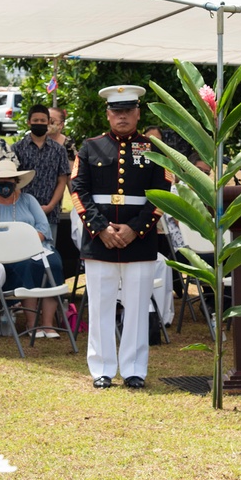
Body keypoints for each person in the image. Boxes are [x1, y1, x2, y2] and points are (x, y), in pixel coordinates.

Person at [71, 84, 170, 390]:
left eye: (128, 111)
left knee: (138, 306)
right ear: (108, 114)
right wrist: (100, 227)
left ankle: (134, 369)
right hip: (99, 239)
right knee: (100, 304)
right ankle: (101, 368)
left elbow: (162, 194)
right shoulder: (90, 147)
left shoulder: (155, 151)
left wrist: (134, 229)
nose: (122, 117)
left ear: (138, 113)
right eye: (117, 111)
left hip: (138, 239)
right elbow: (77, 190)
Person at [0, 160, 64, 337]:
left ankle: (48, 324)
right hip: (6, 255)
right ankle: (32, 325)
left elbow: (43, 228)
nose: (6, 185)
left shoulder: (28, 200)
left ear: (16, 182)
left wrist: (28, 243)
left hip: (38, 248)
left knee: (54, 263)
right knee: (27, 267)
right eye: (1, 181)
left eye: (10, 181)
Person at [13, 104, 70, 242]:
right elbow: (13, 180)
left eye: (43, 121)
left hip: (49, 213)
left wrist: (50, 206)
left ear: (48, 122)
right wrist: (25, 206)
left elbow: (62, 181)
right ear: (28, 122)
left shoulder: (59, 150)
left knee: (48, 254)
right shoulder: (17, 149)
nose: (39, 123)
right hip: (22, 212)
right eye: (36, 121)